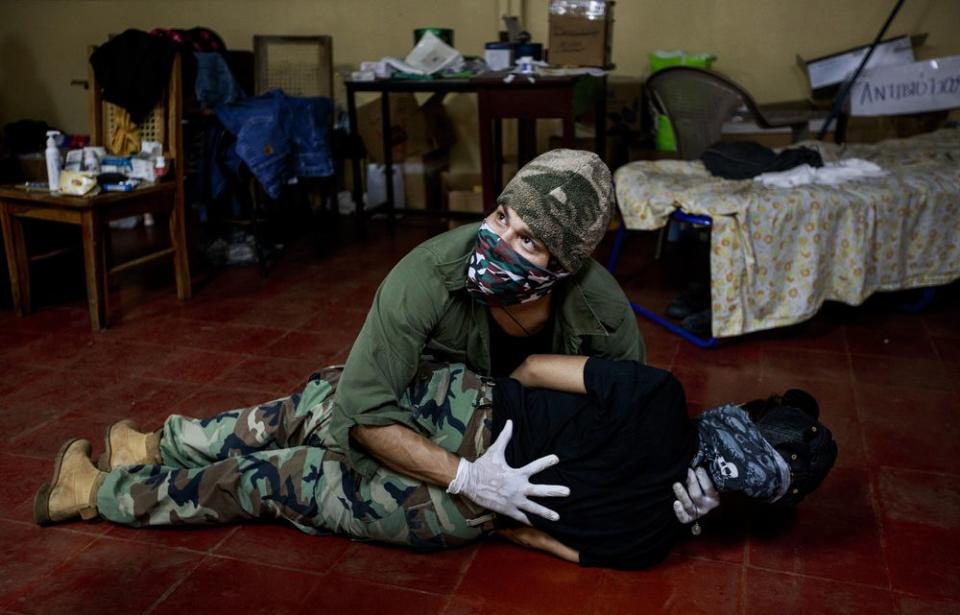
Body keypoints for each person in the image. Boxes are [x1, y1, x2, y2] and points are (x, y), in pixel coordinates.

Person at [34, 355, 837, 570]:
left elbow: (530, 372)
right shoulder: (648, 544)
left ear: (742, 416)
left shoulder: (660, 399)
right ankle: (101, 489)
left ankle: (150, 448)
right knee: (276, 483)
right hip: (457, 516)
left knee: (315, 407)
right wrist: (479, 502)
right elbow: (536, 541)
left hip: (468, 416)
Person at [329, 148, 714, 525]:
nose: (499, 242)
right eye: (501, 217)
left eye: (528, 240)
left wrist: (683, 477)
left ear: (563, 268)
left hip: (522, 438)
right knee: (336, 447)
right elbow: (363, 409)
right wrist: (469, 479)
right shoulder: (427, 275)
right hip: (421, 414)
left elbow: (633, 410)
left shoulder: (603, 309)